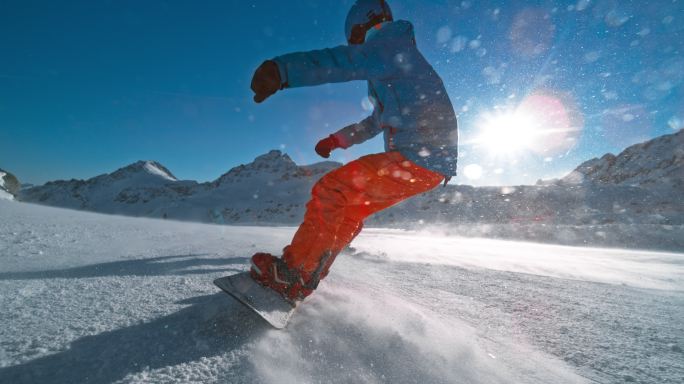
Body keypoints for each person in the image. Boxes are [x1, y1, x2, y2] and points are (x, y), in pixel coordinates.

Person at [249, 0, 458, 304]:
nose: (355, 45)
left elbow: (343, 61)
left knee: (332, 189)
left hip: (418, 157)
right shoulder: (399, 61)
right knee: (348, 209)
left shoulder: (389, 46)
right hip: (428, 165)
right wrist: (336, 140)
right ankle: (309, 274)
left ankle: (293, 274)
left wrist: (281, 71)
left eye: (354, 40)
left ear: (359, 28)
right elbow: (375, 122)